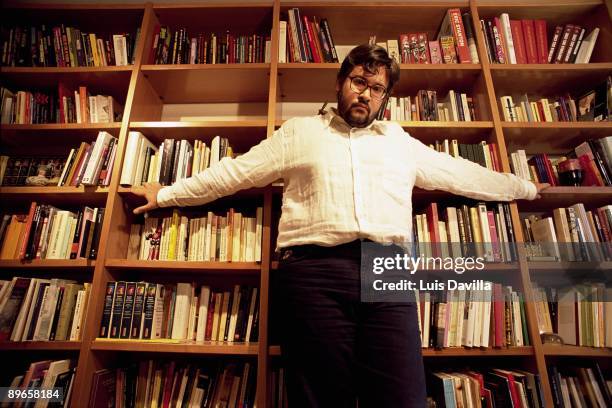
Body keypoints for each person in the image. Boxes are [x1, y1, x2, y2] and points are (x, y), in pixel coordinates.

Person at [131, 44, 549, 407]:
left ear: (385, 97)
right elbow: (234, 173)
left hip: (386, 270)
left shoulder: (399, 142)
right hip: (314, 271)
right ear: (341, 83)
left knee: (402, 394)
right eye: (358, 82)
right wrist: (166, 195)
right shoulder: (299, 133)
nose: (366, 93)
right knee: (318, 395)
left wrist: (526, 188)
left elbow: (463, 174)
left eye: (377, 88)